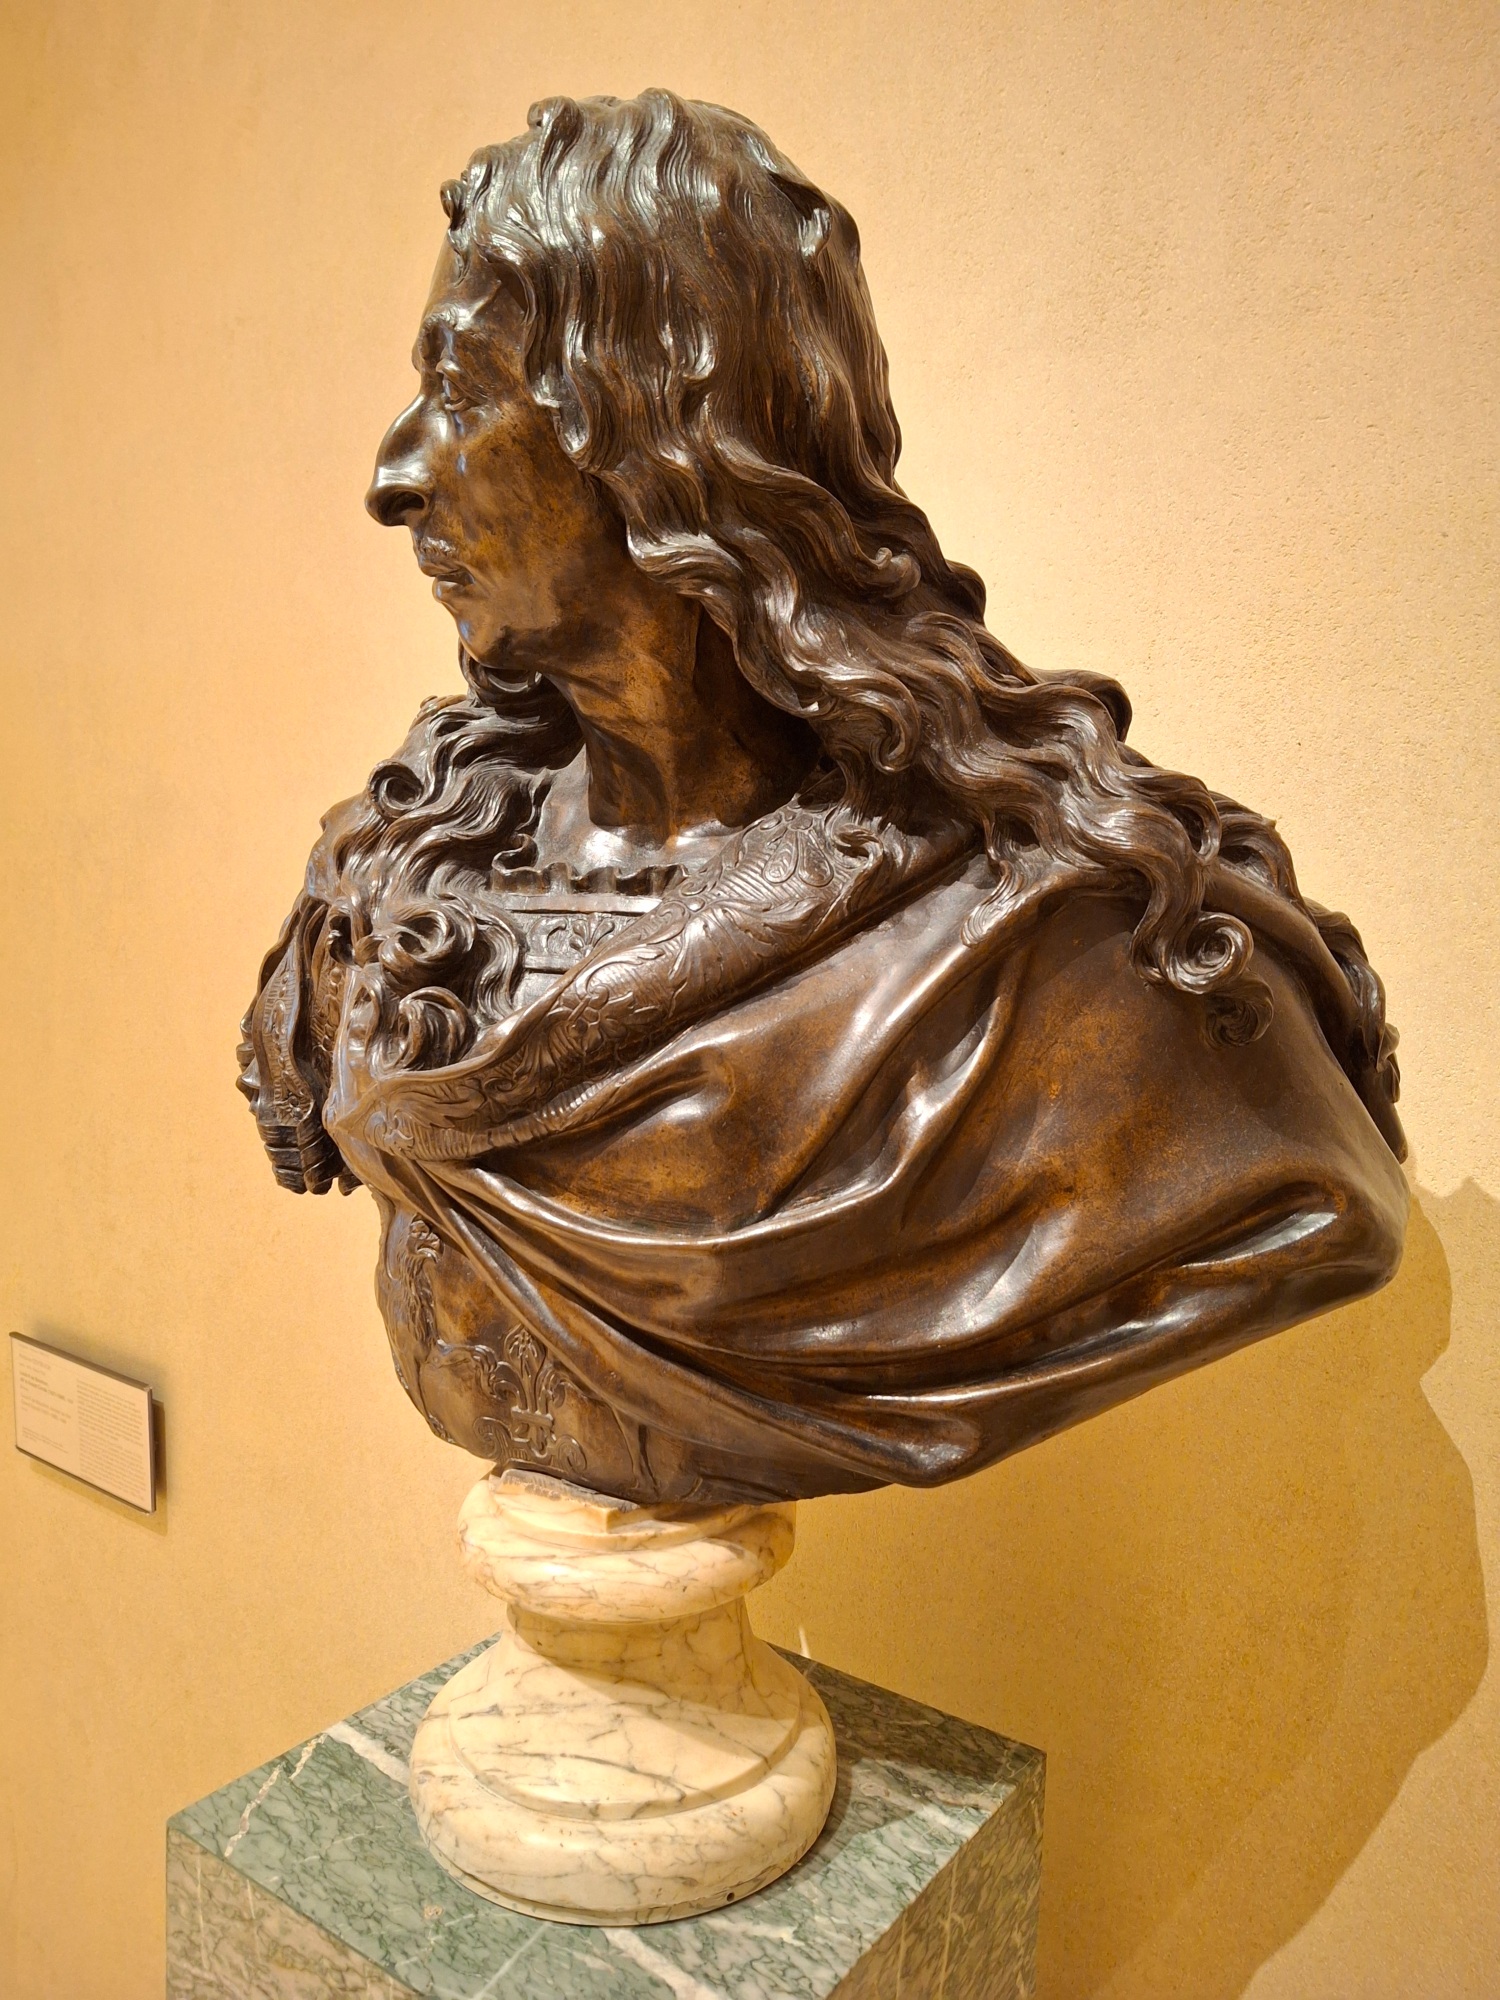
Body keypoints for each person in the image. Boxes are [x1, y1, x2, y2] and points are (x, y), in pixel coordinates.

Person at [239, 90, 1407, 1504]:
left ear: (661, 438)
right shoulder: (397, 879)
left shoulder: (1039, 950)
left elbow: (1315, 1209)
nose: (395, 477)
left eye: (464, 388)